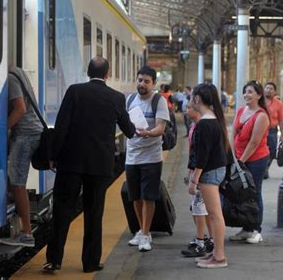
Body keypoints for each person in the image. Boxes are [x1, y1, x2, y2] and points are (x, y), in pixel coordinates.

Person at [44, 57, 136, 273]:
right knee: (94, 213)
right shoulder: (115, 97)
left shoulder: (74, 91)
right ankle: (90, 263)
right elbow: (129, 130)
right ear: (107, 74)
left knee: (61, 211)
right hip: (99, 165)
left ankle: (54, 260)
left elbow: (61, 126)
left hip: (71, 162)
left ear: (87, 72)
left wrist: (53, 155)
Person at [125, 66, 170, 252]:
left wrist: (147, 133)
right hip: (131, 156)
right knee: (135, 197)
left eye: (146, 81)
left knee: (148, 197)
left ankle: (145, 233)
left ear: (153, 84)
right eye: (140, 80)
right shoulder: (130, 100)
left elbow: (161, 128)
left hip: (151, 157)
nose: (142, 84)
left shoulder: (159, 101)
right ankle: (142, 230)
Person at [0, 66, 44, 247]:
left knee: (18, 183)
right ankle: (20, 229)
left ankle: (26, 233)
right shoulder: (19, 72)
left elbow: (20, 109)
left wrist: (1, 131)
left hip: (26, 134)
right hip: (27, 133)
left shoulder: (10, 78)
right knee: (14, 181)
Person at [188, 83, 229, 269]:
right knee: (213, 215)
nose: (190, 101)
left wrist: (194, 179)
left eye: (191, 98)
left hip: (210, 173)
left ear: (197, 99)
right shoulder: (214, 119)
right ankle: (215, 253)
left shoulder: (205, 123)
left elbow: (202, 157)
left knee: (214, 214)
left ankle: (220, 257)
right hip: (216, 170)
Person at [230, 81, 270, 244]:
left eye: (250, 92)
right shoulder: (240, 111)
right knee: (243, 194)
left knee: (254, 193)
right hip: (239, 159)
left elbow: (254, 142)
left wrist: (240, 161)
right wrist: (233, 157)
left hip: (256, 160)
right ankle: (246, 229)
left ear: (259, 95)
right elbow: (232, 133)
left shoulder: (261, 116)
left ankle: (256, 230)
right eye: (245, 92)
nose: (246, 95)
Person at [181, 99, 213, 258]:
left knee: (199, 209)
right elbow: (193, 153)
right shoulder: (194, 126)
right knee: (200, 209)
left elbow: (200, 155)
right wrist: (189, 173)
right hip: (197, 172)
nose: (185, 109)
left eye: (188, 107)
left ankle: (201, 242)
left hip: (202, 175)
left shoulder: (201, 127)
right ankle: (208, 239)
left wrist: (194, 179)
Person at [263, 82, 283, 179]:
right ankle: (262, 168)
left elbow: (281, 119)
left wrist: (281, 134)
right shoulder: (260, 101)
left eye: (271, 88)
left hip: (272, 130)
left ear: (274, 91)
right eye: (267, 88)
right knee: (260, 149)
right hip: (260, 130)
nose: (268, 90)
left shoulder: (279, 104)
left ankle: (266, 167)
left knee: (272, 150)